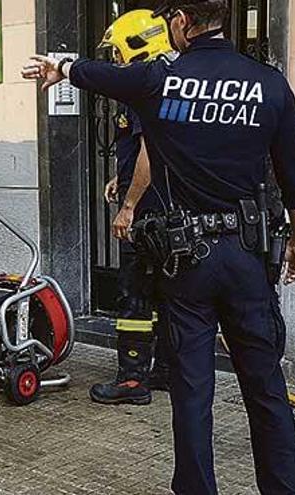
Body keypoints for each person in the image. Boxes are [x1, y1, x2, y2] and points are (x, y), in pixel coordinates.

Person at [22, 0, 295, 493]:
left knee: (194, 389)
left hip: (188, 258)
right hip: (248, 254)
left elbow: (105, 74)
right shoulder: (269, 83)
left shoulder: (159, 81)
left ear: (180, 22)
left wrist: (62, 66)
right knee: (266, 387)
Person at [88, 9, 173, 406]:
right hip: (166, 211)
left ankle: (133, 380)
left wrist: (129, 206)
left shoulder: (143, 85)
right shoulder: (168, 79)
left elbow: (149, 152)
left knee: (135, 296)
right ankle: (168, 371)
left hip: (147, 214)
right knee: (167, 293)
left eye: (116, 51)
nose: (115, 60)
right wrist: (120, 180)